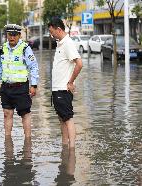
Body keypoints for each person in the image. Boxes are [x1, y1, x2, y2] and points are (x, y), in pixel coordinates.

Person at [0, 24, 39, 138]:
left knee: (25, 114)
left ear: (19, 35)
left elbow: (33, 67)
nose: (12, 37)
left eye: (14, 35)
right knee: (7, 113)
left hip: (21, 87)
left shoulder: (25, 48)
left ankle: (28, 142)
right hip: (6, 87)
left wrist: (34, 85)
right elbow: (0, 66)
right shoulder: (2, 48)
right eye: (10, 34)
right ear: (6, 35)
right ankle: (7, 141)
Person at [48, 18, 83, 148]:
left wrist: (71, 82)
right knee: (62, 119)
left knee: (67, 118)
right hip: (57, 89)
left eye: (52, 32)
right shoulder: (60, 43)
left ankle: (72, 148)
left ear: (59, 29)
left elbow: (79, 64)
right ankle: (65, 146)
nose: (51, 35)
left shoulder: (68, 43)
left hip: (63, 89)